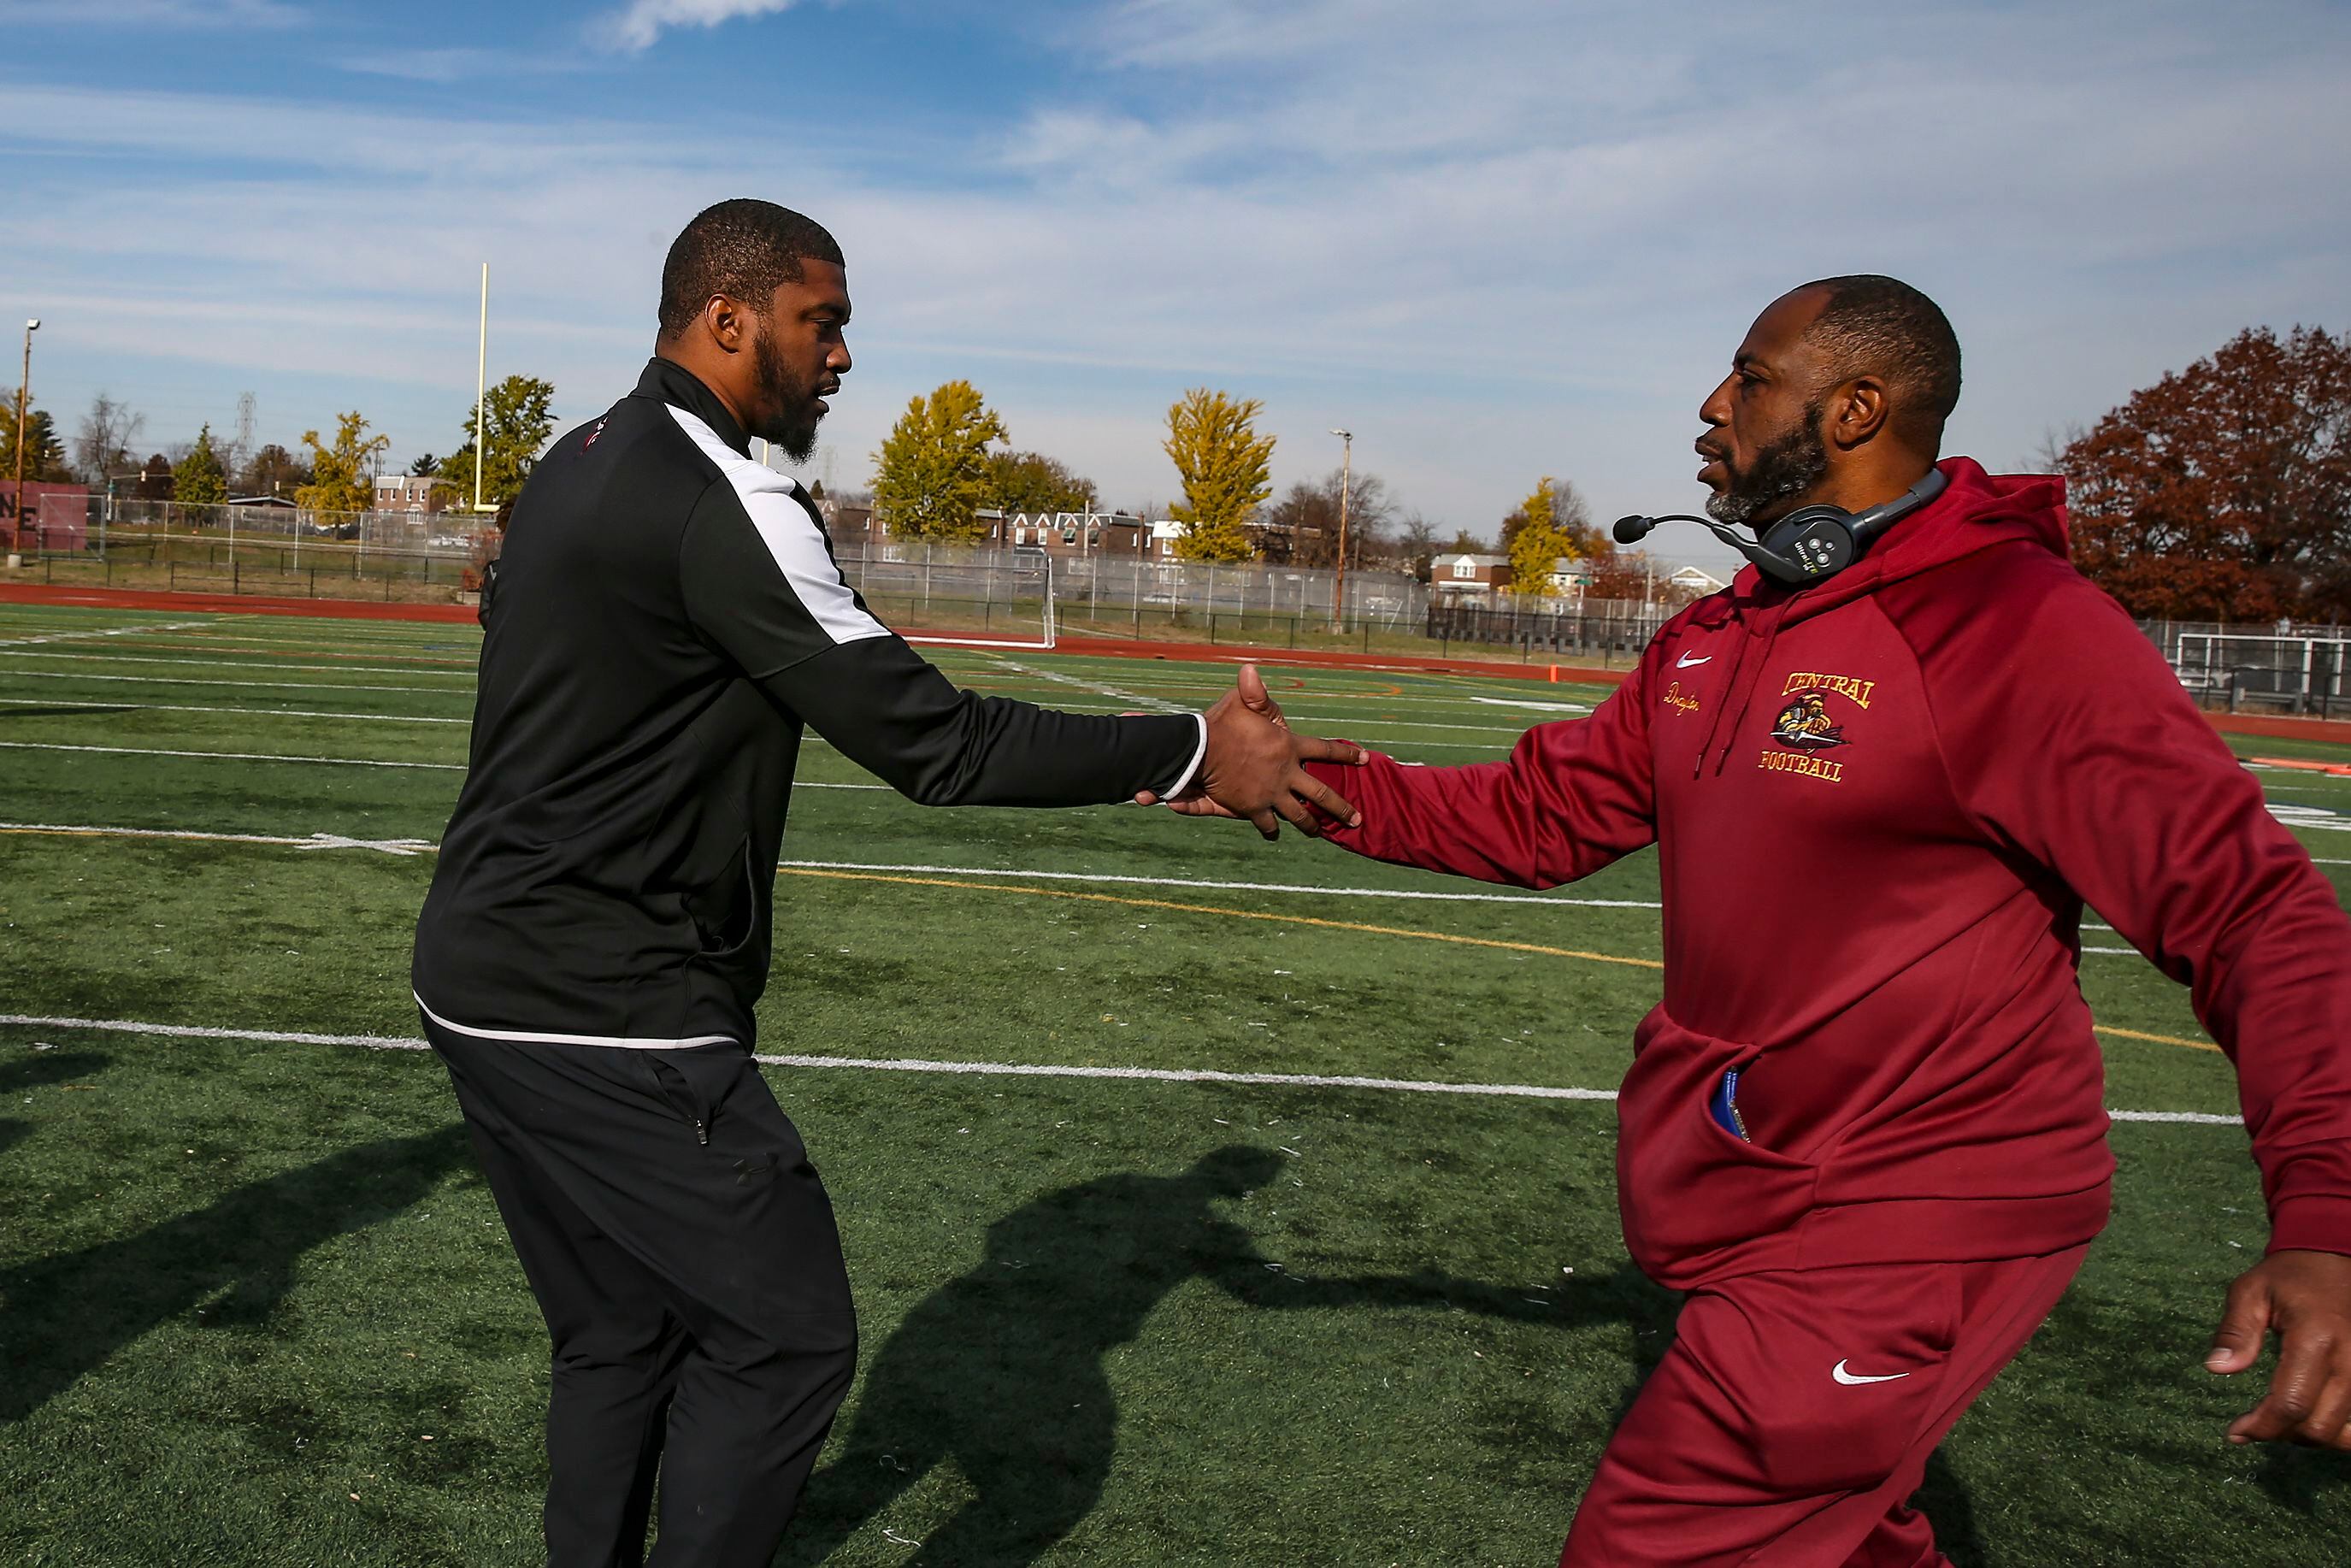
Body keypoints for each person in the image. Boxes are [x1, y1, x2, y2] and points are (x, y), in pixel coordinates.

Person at [1221, 274, 2351, 1565]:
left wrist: (2326, 1214)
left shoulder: (2015, 629)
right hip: (1755, 1178)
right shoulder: (1721, 629)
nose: (1713, 406)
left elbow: (2256, 912)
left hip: (1917, 1199)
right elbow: (1543, 812)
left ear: (1857, 406)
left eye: (1750, 377)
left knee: (1659, 1542)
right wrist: (1308, 787)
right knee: (1849, 1533)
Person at [410, 197, 1361, 1568]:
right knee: (786, 1335)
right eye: (824, 322)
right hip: (603, 995)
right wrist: (1198, 742)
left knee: (617, 1332)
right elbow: (939, 744)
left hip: (478, 971)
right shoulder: (720, 498)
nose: (844, 357)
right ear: (728, 320)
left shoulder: (578, 455)